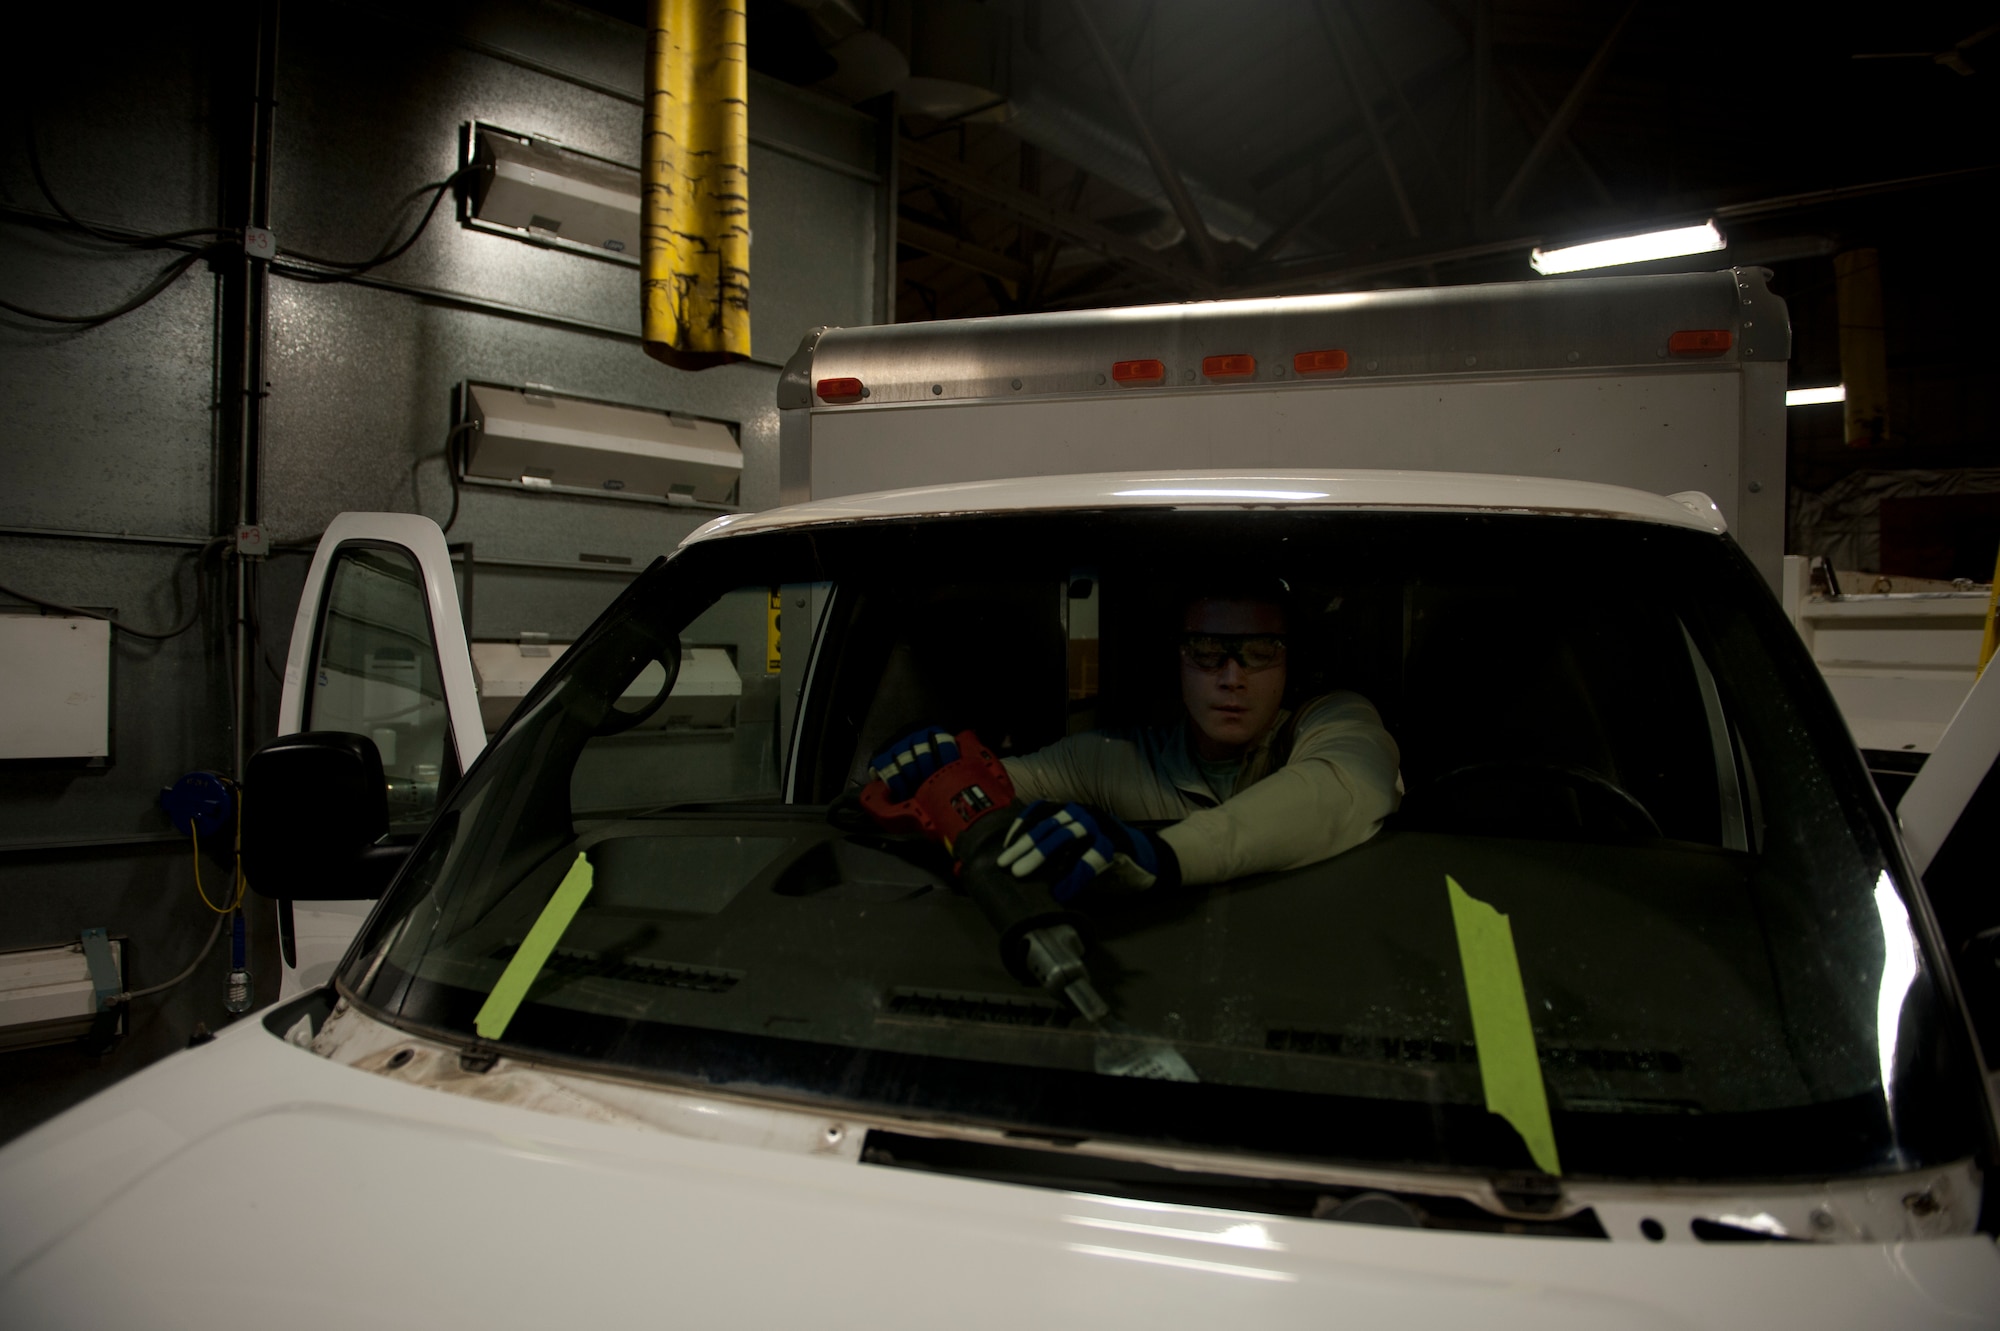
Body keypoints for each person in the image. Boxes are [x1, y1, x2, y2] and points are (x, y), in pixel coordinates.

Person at [869, 581, 1401, 902]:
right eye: (1208, 649)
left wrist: (1153, 854)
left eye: (1261, 651)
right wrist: (932, 771)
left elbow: (1344, 786)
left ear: (1290, 663)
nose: (1233, 677)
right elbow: (991, 785)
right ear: (1176, 662)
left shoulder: (1331, 721)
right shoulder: (1113, 759)